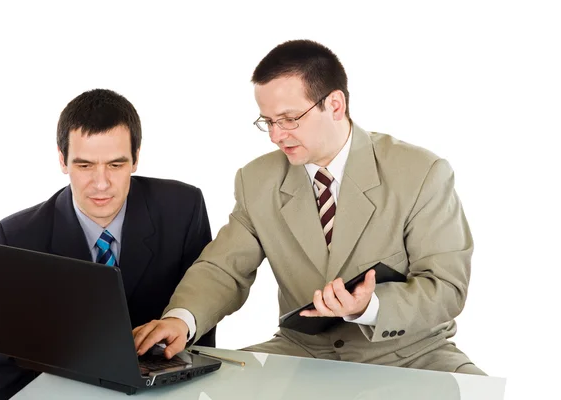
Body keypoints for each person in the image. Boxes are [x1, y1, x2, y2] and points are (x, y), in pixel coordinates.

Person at [133, 39, 484, 375]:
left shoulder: (421, 172)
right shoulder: (256, 180)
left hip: (411, 354)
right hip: (301, 351)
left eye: (288, 119)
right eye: (268, 122)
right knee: (199, 386)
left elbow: (446, 288)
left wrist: (370, 306)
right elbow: (224, 268)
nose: (276, 135)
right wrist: (181, 318)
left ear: (335, 105)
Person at [0, 89, 216, 400]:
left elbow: (202, 323)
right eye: (85, 165)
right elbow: (5, 358)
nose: (101, 183)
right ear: (63, 160)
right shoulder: (21, 235)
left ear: (136, 159)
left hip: (167, 388)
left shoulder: (182, 208)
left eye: (116, 165)